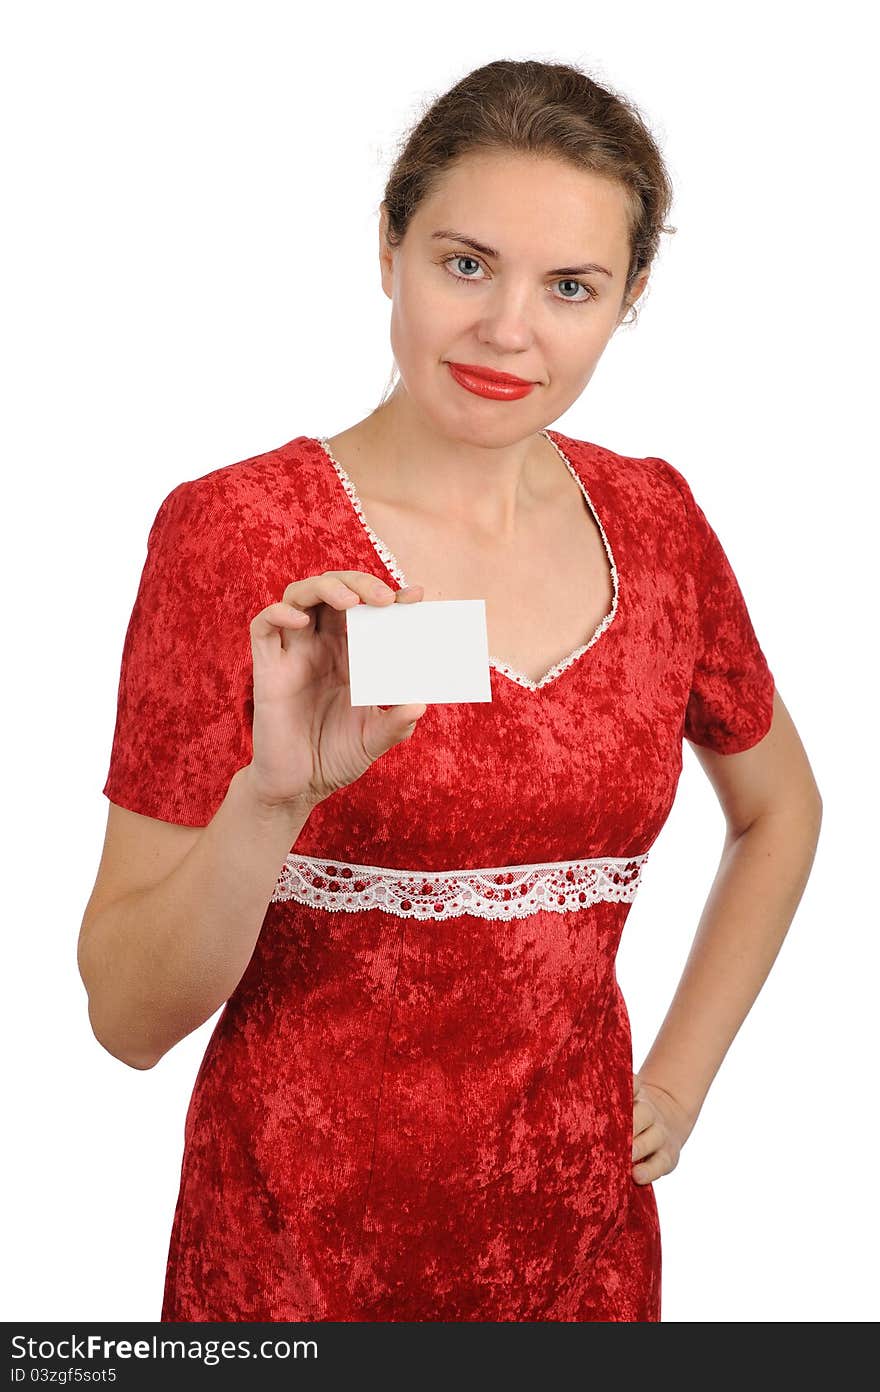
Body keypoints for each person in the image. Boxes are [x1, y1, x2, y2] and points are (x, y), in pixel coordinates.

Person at [77, 58, 822, 1323]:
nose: (507, 330)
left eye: (570, 286)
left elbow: (778, 812)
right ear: (389, 247)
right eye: (464, 264)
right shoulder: (237, 533)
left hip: (576, 1257)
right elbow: (125, 1018)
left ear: (630, 298)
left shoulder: (654, 519)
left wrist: (679, 1084)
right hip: (293, 1264)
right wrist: (270, 801)